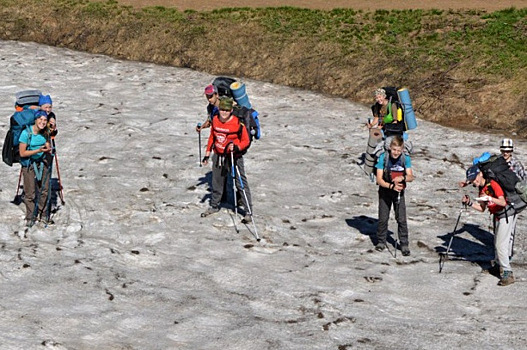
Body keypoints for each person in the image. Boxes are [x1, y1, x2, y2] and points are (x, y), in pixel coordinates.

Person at [461, 165, 516, 286]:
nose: (474, 182)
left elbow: (502, 202)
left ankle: (508, 272)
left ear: (480, 174)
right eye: (472, 181)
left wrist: (490, 198)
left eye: (475, 178)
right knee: (497, 243)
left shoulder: (493, 184)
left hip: (506, 215)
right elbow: (481, 208)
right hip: (498, 216)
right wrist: (469, 203)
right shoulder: (482, 189)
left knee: (500, 245)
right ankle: (498, 266)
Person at [201, 97, 253, 223]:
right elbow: (212, 137)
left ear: (231, 110)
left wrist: (236, 147)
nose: (223, 112)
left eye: (226, 110)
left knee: (240, 183)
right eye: (222, 109)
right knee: (217, 182)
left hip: (234, 156)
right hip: (218, 155)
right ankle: (214, 205)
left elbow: (245, 140)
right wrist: (207, 154)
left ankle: (248, 212)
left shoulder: (237, 123)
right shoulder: (215, 120)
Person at [374, 135, 414, 256]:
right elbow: (379, 180)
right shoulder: (383, 157)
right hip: (385, 190)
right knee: (383, 218)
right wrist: (391, 186)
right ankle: (381, 241)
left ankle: (404, 244)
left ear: (402, 149)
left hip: (399, 191)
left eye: (398, 150)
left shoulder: (405, 158)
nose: (396, 153)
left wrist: (403, 178)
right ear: (390, 148)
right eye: (394, 149)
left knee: (401, 218)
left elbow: (411, 176)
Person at [18, 110, 52, 226]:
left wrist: (47, 148)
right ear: (36, 120)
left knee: (45, 189)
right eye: (40, 119)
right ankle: (30, 216)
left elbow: (47, 143)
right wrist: (38, 150)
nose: (42, 122)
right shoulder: (26, 133)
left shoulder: (45, 132)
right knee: (30, 192)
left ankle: (43, 214)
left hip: (43, 162)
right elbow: (22, 153)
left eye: (45, 120)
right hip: (29, 163)